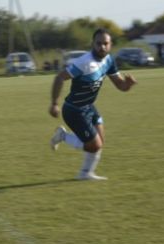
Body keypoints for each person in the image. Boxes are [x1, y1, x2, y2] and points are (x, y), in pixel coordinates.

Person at [48, 29, 137, 180]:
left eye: (105, 44)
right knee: (94, 145)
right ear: (93, 44)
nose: (102, 47)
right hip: (74, 109)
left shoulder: (109, 60)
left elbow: (120, 86)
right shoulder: (84, 62)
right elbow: (60, 78)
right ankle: (63, 136)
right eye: (99, 43)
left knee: (100, 141)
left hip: (88, 106)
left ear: (110, 45)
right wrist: (54, 103)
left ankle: (85, 173)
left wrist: (128, 85)